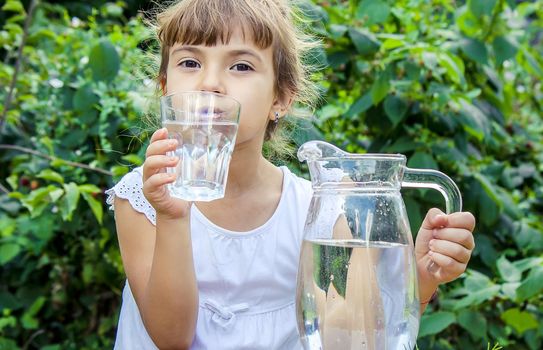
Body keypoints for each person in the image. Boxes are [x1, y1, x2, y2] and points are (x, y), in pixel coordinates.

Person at [106, 0, 476, 349]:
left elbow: (349, 338)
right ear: (165, 85)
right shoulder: (143, 198)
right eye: (190, 62)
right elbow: (171, 338)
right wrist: (173, 216)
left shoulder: (320, 210)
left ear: (281, 99)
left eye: (241, 66)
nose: (210, 84)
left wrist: (422, 278)